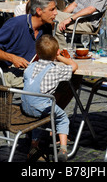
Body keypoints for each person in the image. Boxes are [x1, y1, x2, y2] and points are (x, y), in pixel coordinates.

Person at [22, 34, 78, 162]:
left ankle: (34, 146)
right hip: (41, 107)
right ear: (56, 52)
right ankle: (63, 149)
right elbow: (74, 66)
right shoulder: (54, 71)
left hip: (26, 106)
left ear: (37, 52)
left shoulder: (29, 68)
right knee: (62, 118)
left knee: (38, 119)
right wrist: (60, 56)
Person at [0, 0, 58, 88]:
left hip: (33, 70)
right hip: (9, 71)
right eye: (52, 9)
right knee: (52, 82)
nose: (56, 13)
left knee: (70, 78)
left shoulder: (46, 27)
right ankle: (37, 103)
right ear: (39, 11)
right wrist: (13, 58)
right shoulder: (15, 24)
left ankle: (43, 103)